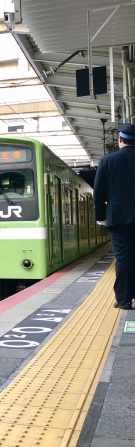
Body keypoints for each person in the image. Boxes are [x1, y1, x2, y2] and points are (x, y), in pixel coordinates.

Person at [93, 123, 135, 309]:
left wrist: (101, 216)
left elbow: (99, 193)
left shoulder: (107, 161)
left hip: (118, 219)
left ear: (120, 140)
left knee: (124, 258)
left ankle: (124, 299)